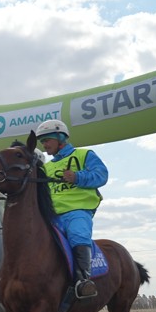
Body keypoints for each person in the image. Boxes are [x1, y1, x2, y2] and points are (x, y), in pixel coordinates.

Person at [34, 119, 108, 299]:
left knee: (77, 234)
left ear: (61, 138)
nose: (44, 145)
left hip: (78, 211)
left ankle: (83, 281)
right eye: (42, 142)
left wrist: (77, 177)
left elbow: (102, 175)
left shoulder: (84, 154)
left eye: (47, 140)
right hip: (52, 216)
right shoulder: (46, 167)